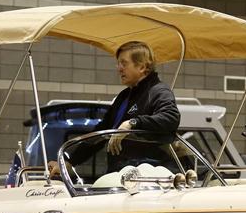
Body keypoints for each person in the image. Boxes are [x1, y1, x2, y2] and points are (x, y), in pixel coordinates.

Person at [52, 41, 180, 176]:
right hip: (120, 176)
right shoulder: (124, 97)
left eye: (124, 63)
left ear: (142, 67)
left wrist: (132, 123)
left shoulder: (159, 91)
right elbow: (101, 133)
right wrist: (70, 162)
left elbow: (171, 118)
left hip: (147, 180)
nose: (119, 68)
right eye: (118, 63)